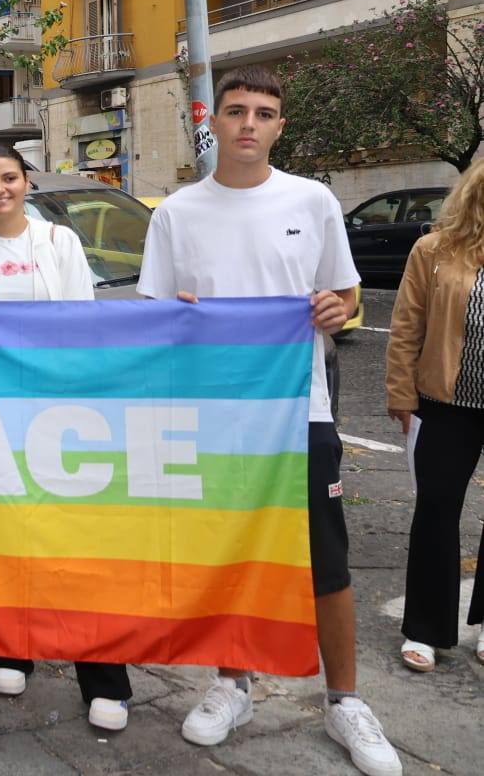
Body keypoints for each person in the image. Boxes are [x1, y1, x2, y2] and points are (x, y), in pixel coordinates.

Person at [138, 66, 400, 776]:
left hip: (299, 409)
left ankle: (345, 700)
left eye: (262, 112)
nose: (248, 123)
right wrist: (177, 316)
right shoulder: (176, 214)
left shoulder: (311, 200)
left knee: (326, 557)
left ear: (280, 126)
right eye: (236, 111)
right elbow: (152, 317)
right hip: (213, 415)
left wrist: (336, 309)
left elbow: (346, 296)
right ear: (213, 123)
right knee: (227, 552)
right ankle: (232, 684)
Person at [0, 144, 133, 732]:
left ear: (26, 182)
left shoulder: (59, 241)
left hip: (61, 412)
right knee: (7, 534)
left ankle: (104, 677)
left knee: (77, 542)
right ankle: (12, 649)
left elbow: (82, 326)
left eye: (9, 178)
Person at [386, 161, 484, 674]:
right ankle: (425, 629)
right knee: (436, 512)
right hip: (445, 404)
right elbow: (407, 327)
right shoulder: (433, 250)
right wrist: (401, 395)